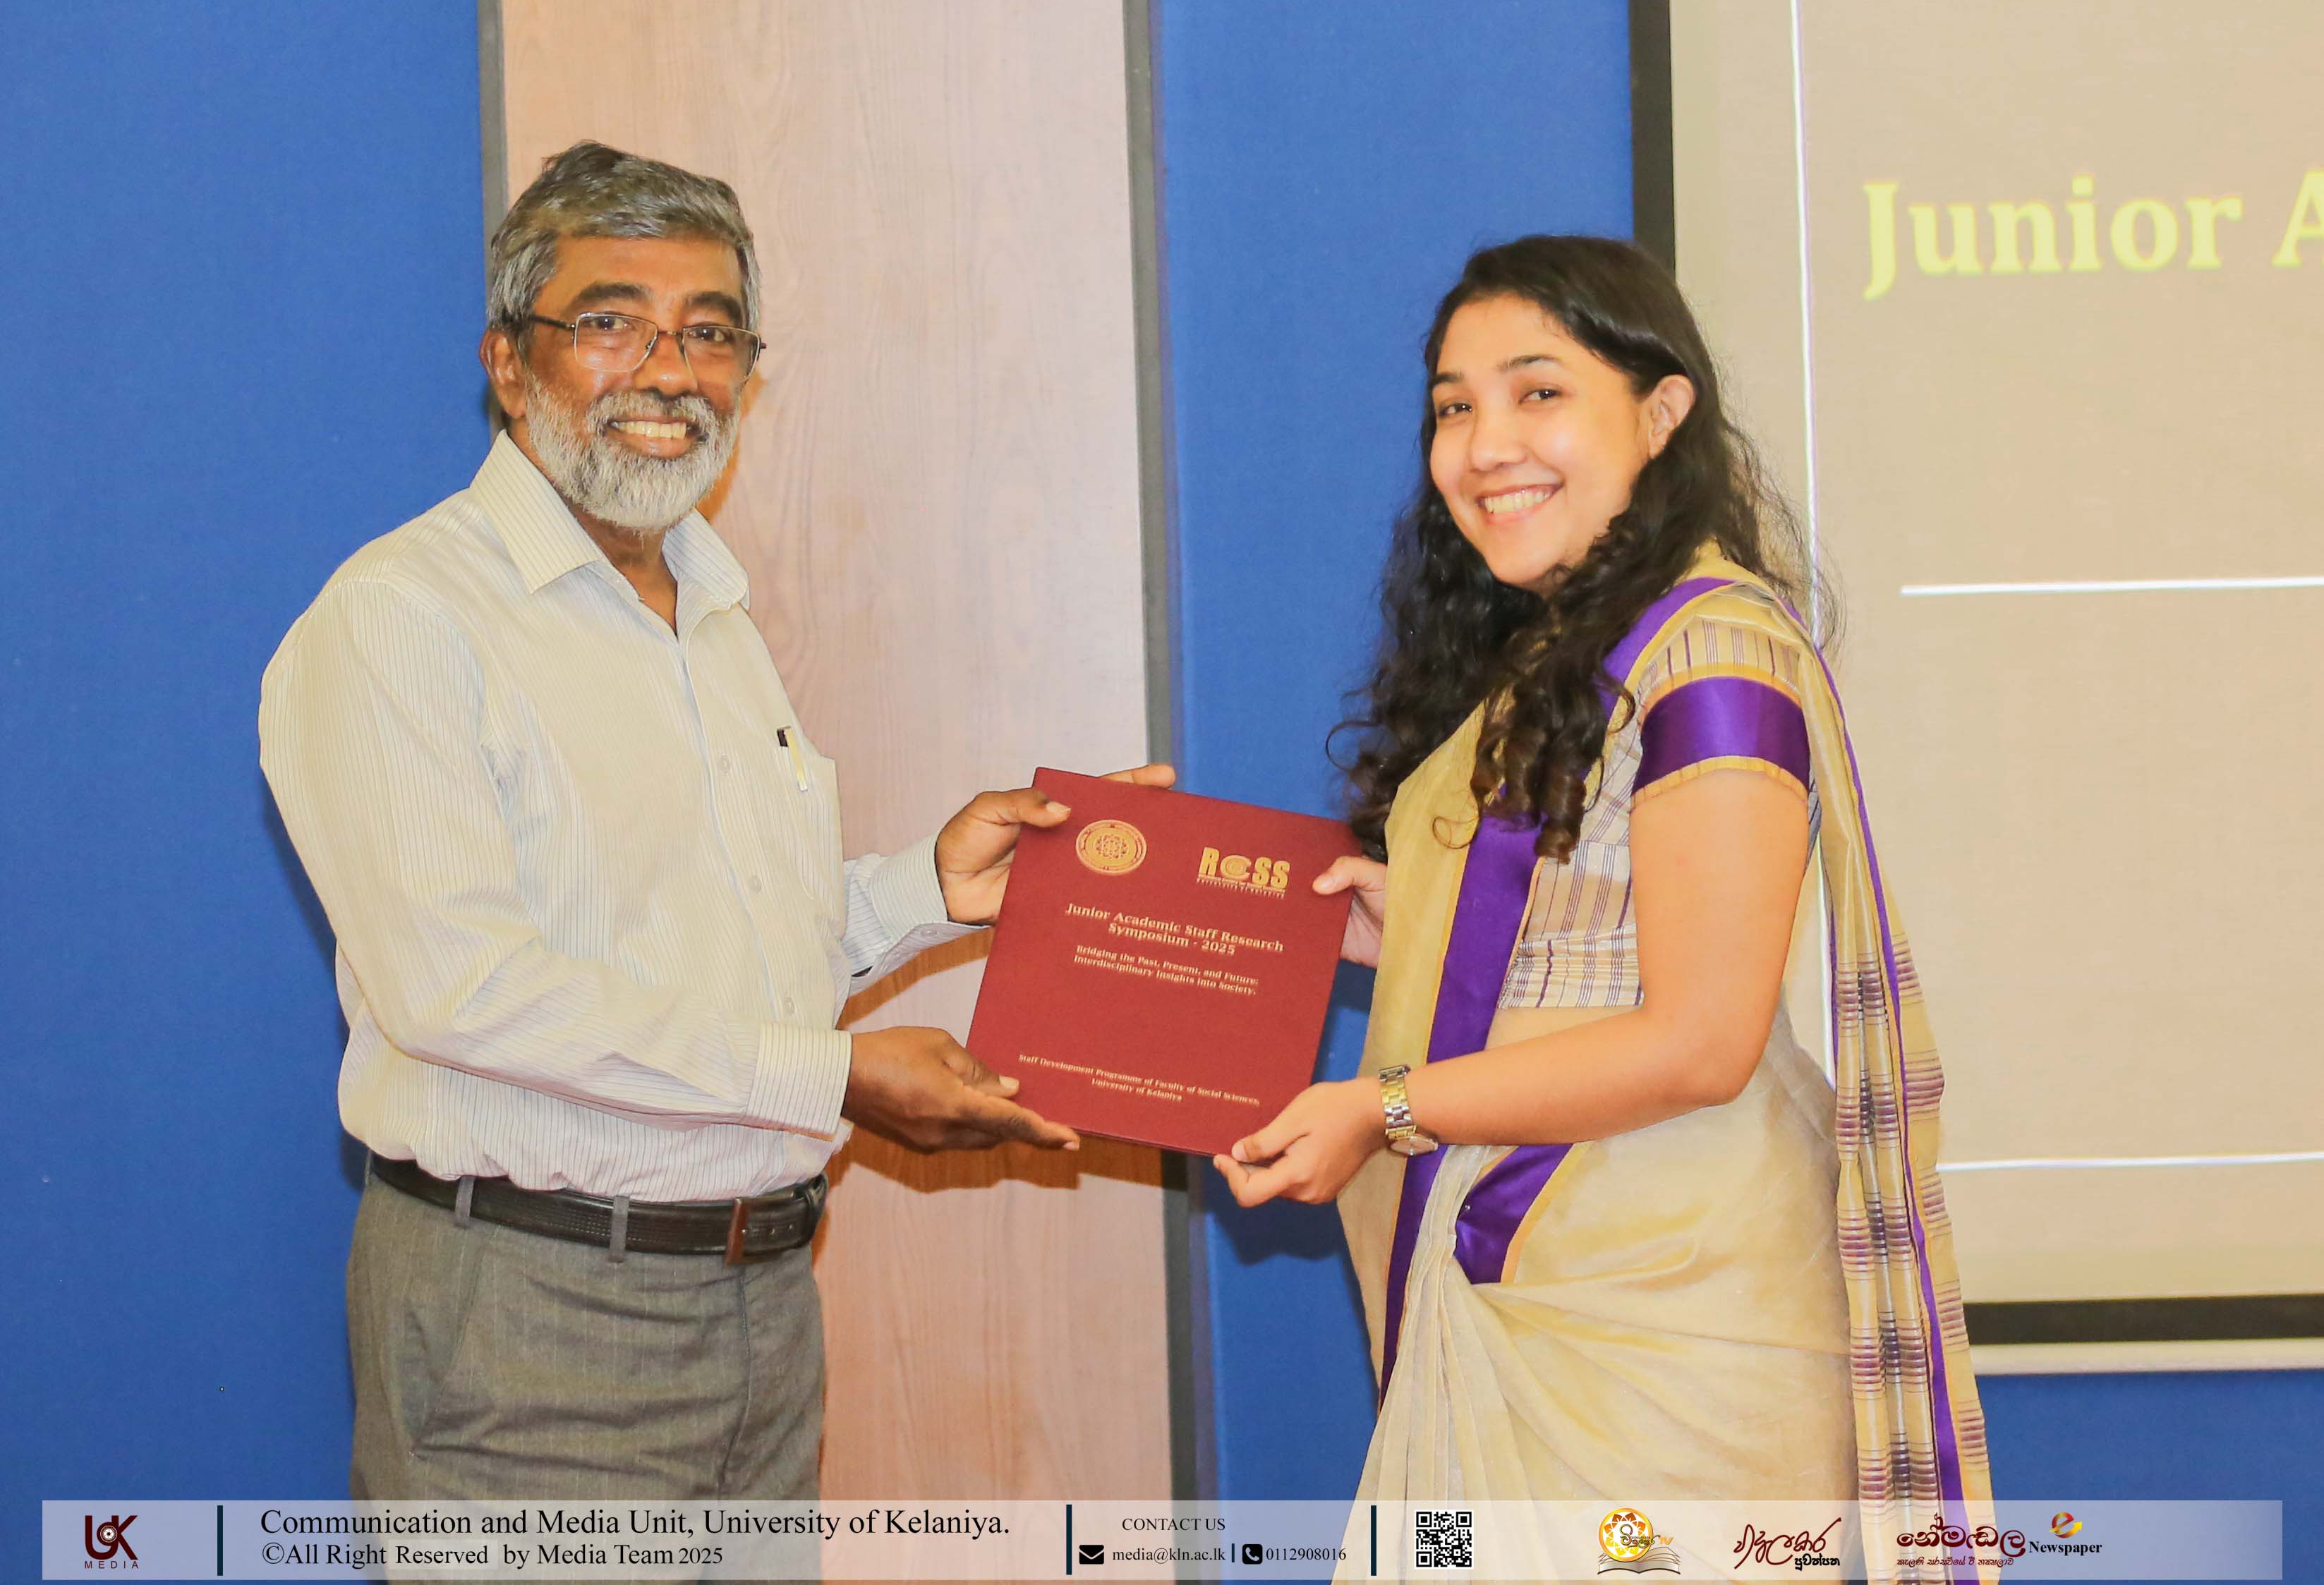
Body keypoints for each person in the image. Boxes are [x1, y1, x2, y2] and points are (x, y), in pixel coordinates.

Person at [260, 140, 1168, 1501]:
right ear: (508, 362)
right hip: (532, 1316)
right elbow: (464, 993)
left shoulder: (709, 607)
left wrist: (929, 889)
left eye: (711, 333)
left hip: (761, 1304)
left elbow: (715, 944)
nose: (671, 372)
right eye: (611, 323)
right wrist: (835, 1078)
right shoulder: (402, 619)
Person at [1213, 236, 1990, 1573]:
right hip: (1545, 1294)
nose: (1484, 445)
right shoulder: (1574, 650)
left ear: (1661, 410)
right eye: (1453, 406)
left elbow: (1697, 1040)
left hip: (1664, 1332)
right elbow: (1592, 938)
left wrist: (1380, 1108)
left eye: (1538, 392)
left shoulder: (1713, 655)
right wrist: (1404, 923)